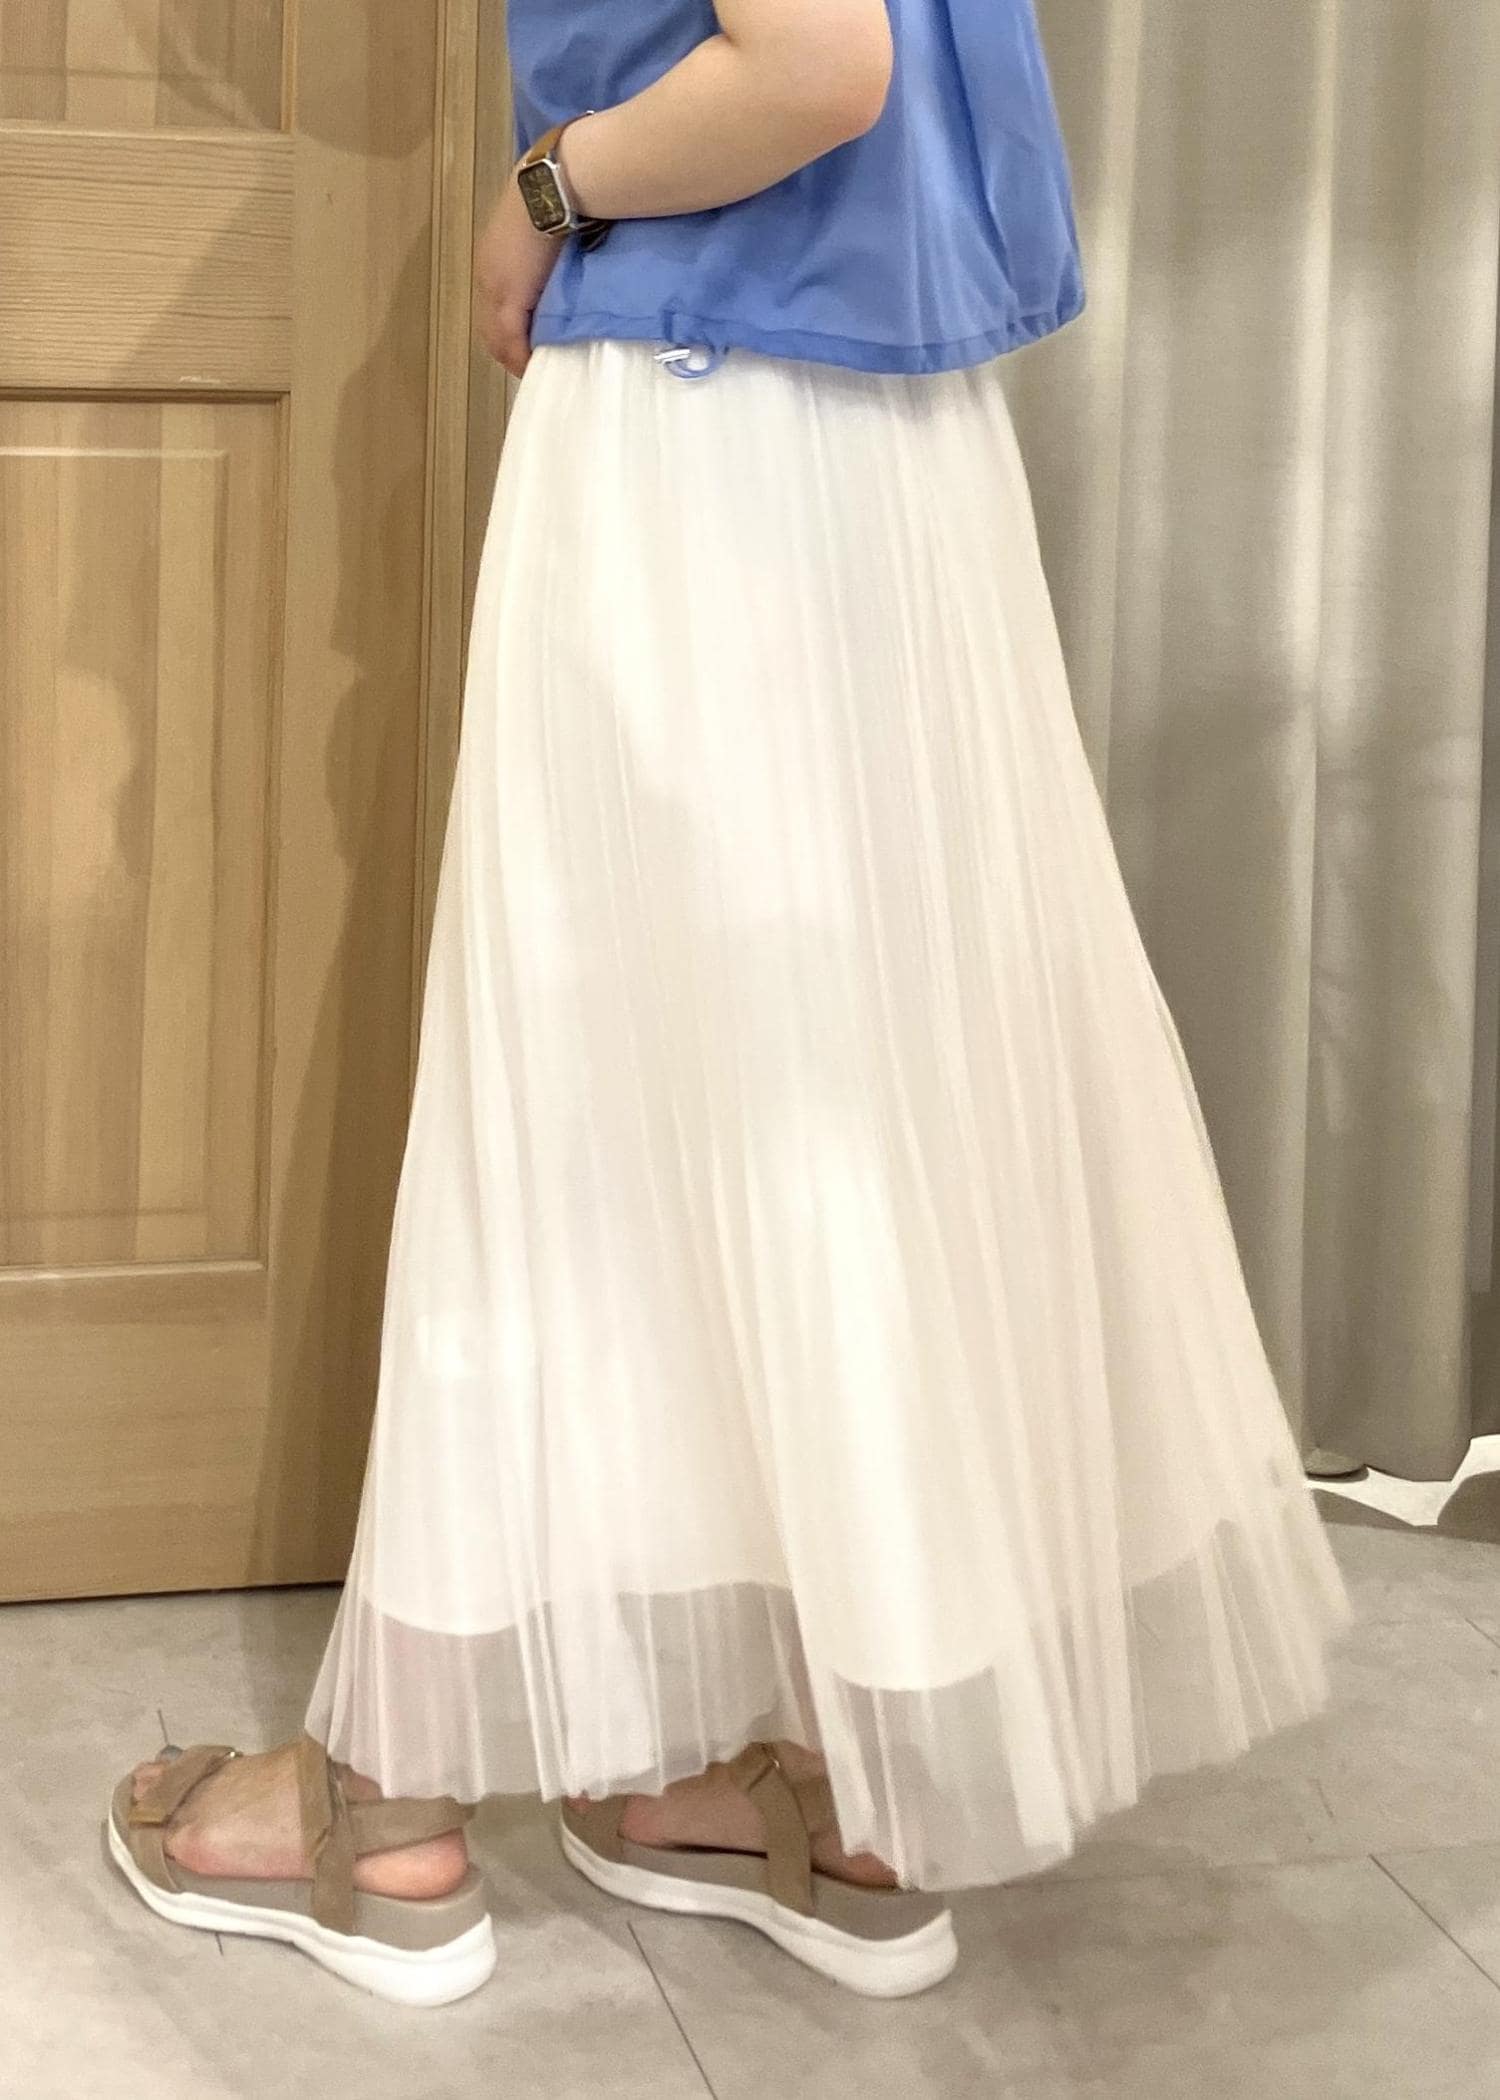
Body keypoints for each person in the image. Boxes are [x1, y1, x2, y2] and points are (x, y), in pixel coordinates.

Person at [107, 0, 1351, 2008]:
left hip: (703, 454)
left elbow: (809, 65)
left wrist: (544, 189)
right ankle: (816, 1781)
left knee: (581, 1117)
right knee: (831, 1101)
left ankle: (388, 1795)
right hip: (874, 452)